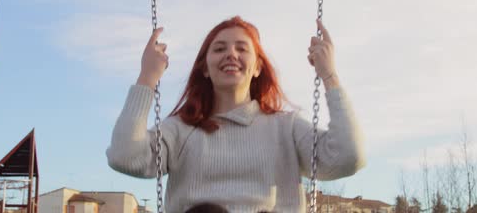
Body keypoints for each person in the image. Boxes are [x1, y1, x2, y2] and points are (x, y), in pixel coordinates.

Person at [107, 16, 366, 213]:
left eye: (242, 49)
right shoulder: (180, 130)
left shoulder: (286, 128)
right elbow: (125, 156)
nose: (231, 53)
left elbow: (347, 157)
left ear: (257, 67)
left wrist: (329, 75)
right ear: (205, 69)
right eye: (219, 49)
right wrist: (147, 78)